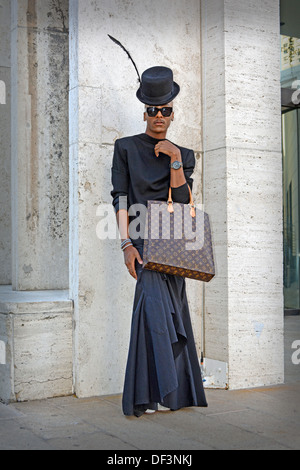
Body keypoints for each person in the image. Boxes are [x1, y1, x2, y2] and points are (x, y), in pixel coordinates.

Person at [111, 66, 207, 417]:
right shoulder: (125, 148)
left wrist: (176, 160)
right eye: (152, 110)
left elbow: (183, 206)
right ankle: (151, 394)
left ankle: (167, 395)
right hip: (142, 248)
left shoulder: (184, 154)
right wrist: (126, 244)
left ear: (172, 111)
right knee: (153, 318)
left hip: (173, 249)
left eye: (165, 110)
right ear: (144, 112)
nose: (159, 117)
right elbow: (120, 198)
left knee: (170, 320)